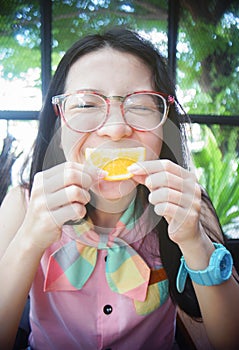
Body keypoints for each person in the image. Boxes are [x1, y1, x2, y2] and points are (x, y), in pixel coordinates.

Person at [0, 27, 238, 350]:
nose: (115, 129)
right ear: (59, 121)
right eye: (86, 105)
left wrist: (195, 242)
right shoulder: (22, 205)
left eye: (140, 105)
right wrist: (29, 240)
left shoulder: (188, 208)